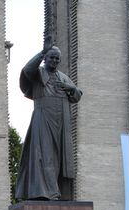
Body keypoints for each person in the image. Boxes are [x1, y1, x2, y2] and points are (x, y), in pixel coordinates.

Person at [15, 35, 81, 201]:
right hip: (43, 118)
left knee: (59, 157)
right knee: (44, 154)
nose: (54, 61)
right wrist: (41, 52)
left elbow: (77, 95)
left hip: (62, 121)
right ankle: (46, 192)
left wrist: (69, 88)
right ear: (45, 58)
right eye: (51, 57)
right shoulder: (39, 73)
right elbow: (26, 71)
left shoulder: (63, 77)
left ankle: (59, 191)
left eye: (57, 59)